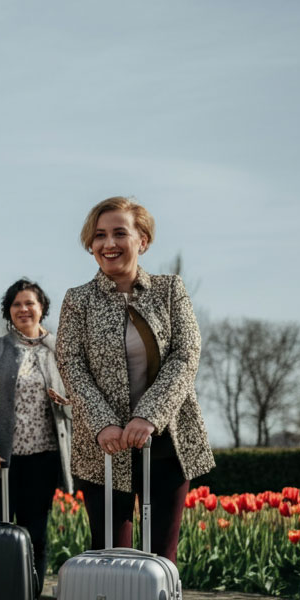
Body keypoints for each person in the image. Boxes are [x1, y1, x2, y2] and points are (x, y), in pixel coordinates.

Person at [55, 196, 214, 562]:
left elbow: (186, 354)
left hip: (165, 444)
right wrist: (103, 424)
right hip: (104, 449)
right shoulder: (78, 300)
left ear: (142, 240)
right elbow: (70, 363)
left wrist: (149, 416)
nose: (108, 244)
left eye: (119, 233)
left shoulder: (169, 290)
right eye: (99, 236)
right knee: (112, 555)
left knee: (161, 556)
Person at [0, 278, 73, 600]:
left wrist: (67, 403)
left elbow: (81, 399)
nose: (24, 309)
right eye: (16, 304)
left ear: (42, 307)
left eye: (30, 303)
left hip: (41, 461)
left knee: (34, 537)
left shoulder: (61, 351)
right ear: (8, 312)